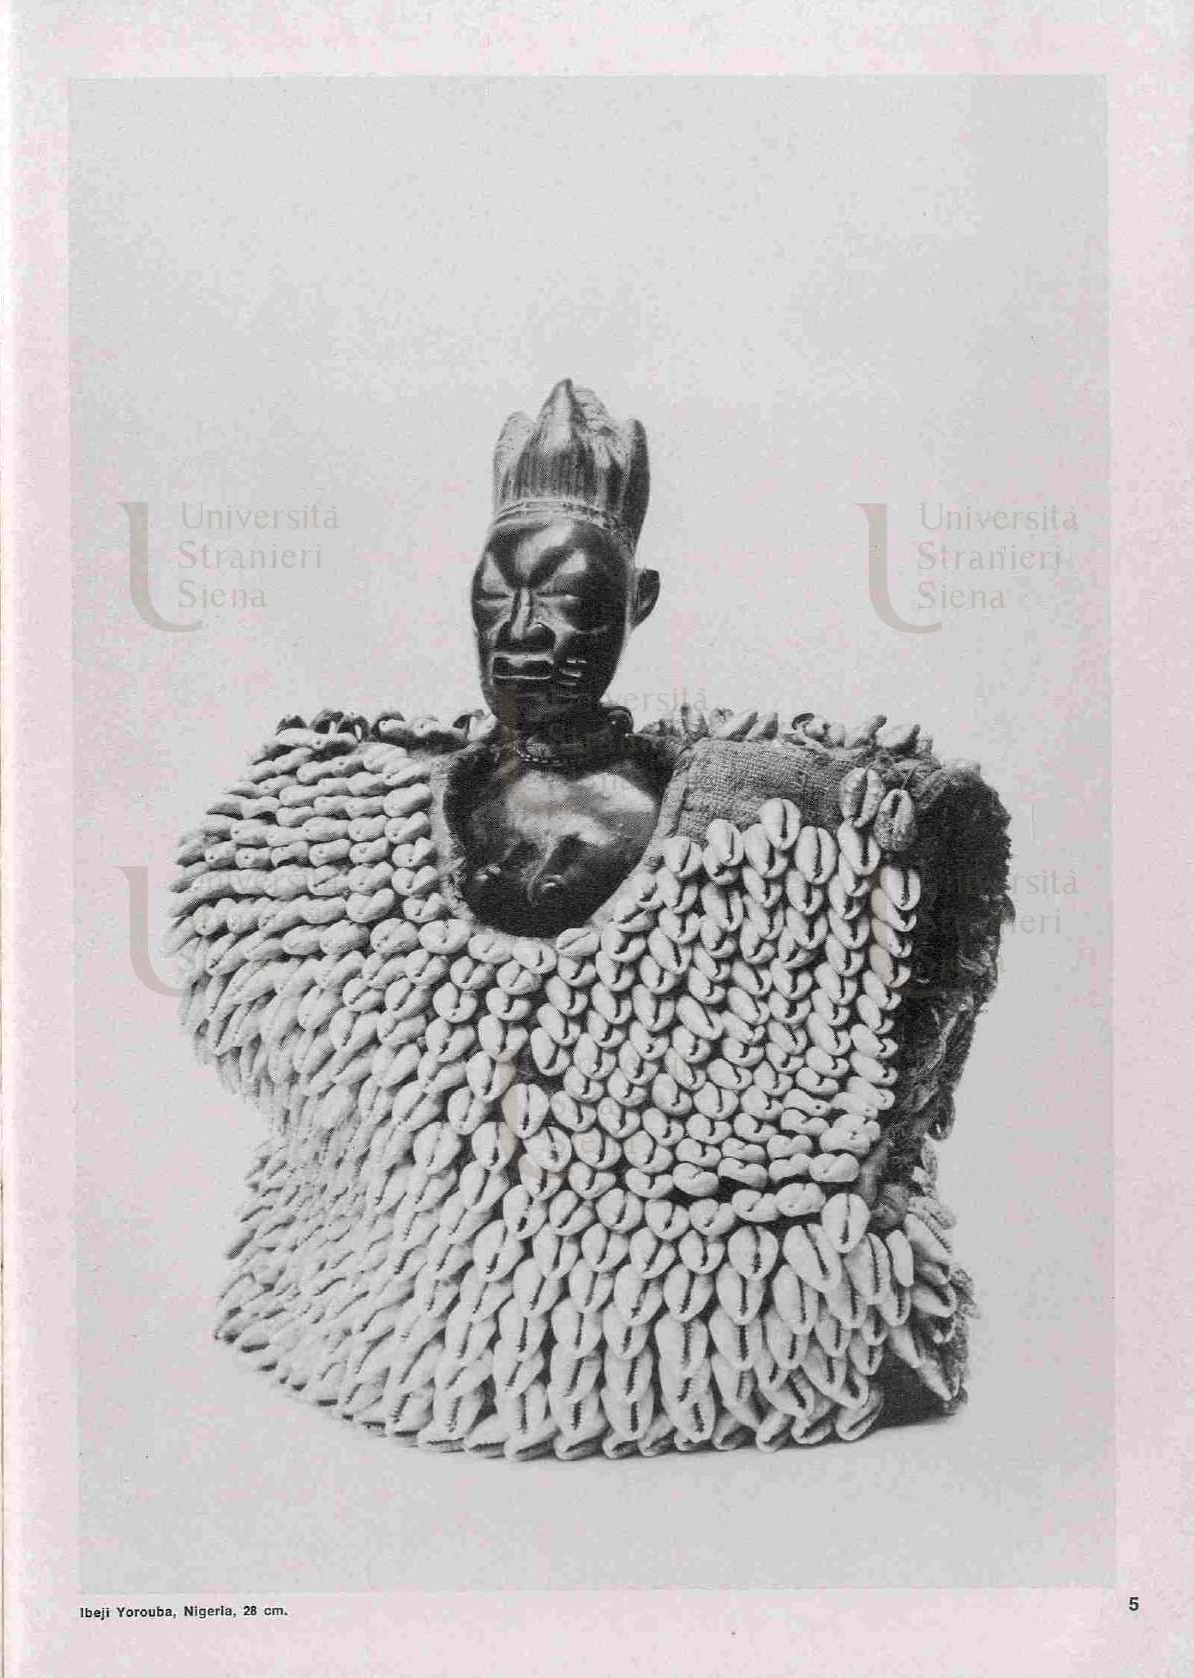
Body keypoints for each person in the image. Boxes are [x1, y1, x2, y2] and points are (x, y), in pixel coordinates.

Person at [170, 380, 1011, 1459]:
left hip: (720, 1344)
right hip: (362, 1313)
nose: (524, 634)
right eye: (495, 598)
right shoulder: (322, 820)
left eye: (571, 599)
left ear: (637, 602)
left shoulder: (795, 829)